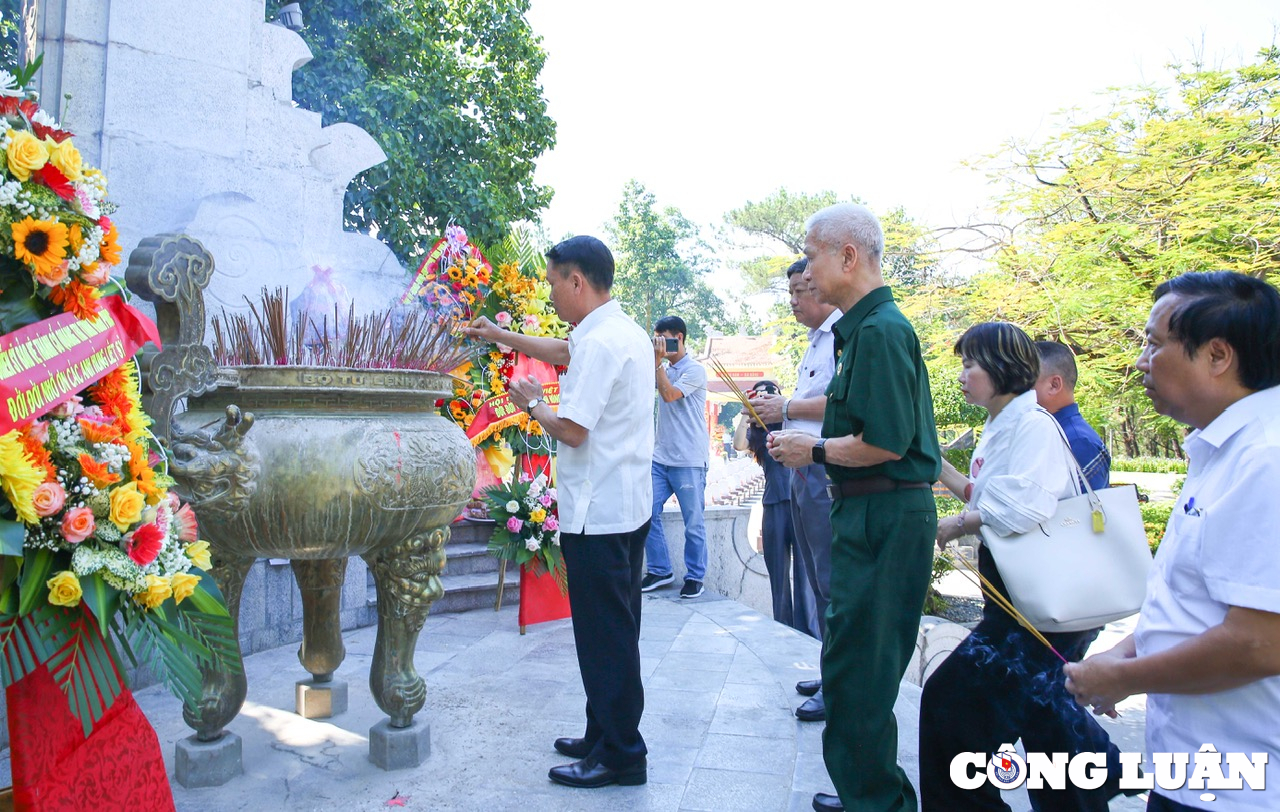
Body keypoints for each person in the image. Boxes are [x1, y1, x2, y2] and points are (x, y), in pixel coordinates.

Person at [1064, 271, 1280, 812]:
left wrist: (1124, 676)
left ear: (1217, 356)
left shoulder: (1266, 460)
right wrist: (1126, 651)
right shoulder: (1222, 449)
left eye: (1155, 344)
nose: (1141, 361)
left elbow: (1260, 641)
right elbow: (1195, 599)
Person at [465, 235, 654, 789]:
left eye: (552, 283)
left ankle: (621, 753)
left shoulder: (600, 343)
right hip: (624, 506)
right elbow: (563, 350)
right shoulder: (623, 331)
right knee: (615, 629)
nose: (549, 294)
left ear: (577, 281)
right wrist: (503, 336)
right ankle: (604, 731)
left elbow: (572, 431)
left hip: (598, 513)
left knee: (605, 636)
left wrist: (533, 404)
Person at [768, 203, 940, 812]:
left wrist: (809, 448)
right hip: (869, 514)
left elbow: (887, 443)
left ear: (847, 256)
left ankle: (879, 802)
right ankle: (869, 791)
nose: (807, 272)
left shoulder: (883, 332)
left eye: (813, 254)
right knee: (850, 668)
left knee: (863, 679)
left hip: (885, 516)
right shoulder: (862, 329)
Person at [920, 321, 1127, 812]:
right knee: (1040, 725)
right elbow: (997, 496)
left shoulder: (1032, 426)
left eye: (970, 364)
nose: (963, 375)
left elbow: (1023, 508)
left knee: (952, 706)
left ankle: (1101, 764)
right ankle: (1099, 769)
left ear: (1001, 368)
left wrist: (964, 522)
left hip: (1036, 607)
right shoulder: (1005, 425)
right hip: (1019, 603)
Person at [749, 257, 839, 719]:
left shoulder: (846, 337)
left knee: (828, 580)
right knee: (819, 578)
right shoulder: (816, 342)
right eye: (790, 294)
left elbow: (844, 403)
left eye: (801, 291)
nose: (794, 302)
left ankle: (841, 685)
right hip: (806, 470)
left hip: (829, 470)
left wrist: (785, 405)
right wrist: (777, 414)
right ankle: (831, 671)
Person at [733, 380, 817, 635]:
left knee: (805, 573)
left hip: (799, 503)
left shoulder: (791, 425)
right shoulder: (757, 434)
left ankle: (807, 630)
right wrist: (745, 414)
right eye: (760, 397)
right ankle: (783, 628)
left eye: (770, 396)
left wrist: (785, 409)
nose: (765, 400)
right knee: (778, 574)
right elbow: (738, 445)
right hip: (773, 503)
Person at [641, 315, 710, 599]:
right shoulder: (661, 368)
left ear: (679, 338)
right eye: (655, 339)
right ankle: (660, 569)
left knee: (693, 522)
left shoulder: (695, 370)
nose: (659, 345)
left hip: (689, 459)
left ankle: (695, 576)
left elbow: (670, 395)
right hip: (661, 458)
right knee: (645, 511)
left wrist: (657, 363)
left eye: (664, 339)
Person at [1034, 340, 1110, 490]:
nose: (1016, 389)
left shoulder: (1078, 440)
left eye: (1026, 381)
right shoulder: (1050, 430)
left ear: (1054, 385)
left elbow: (1082, 509)